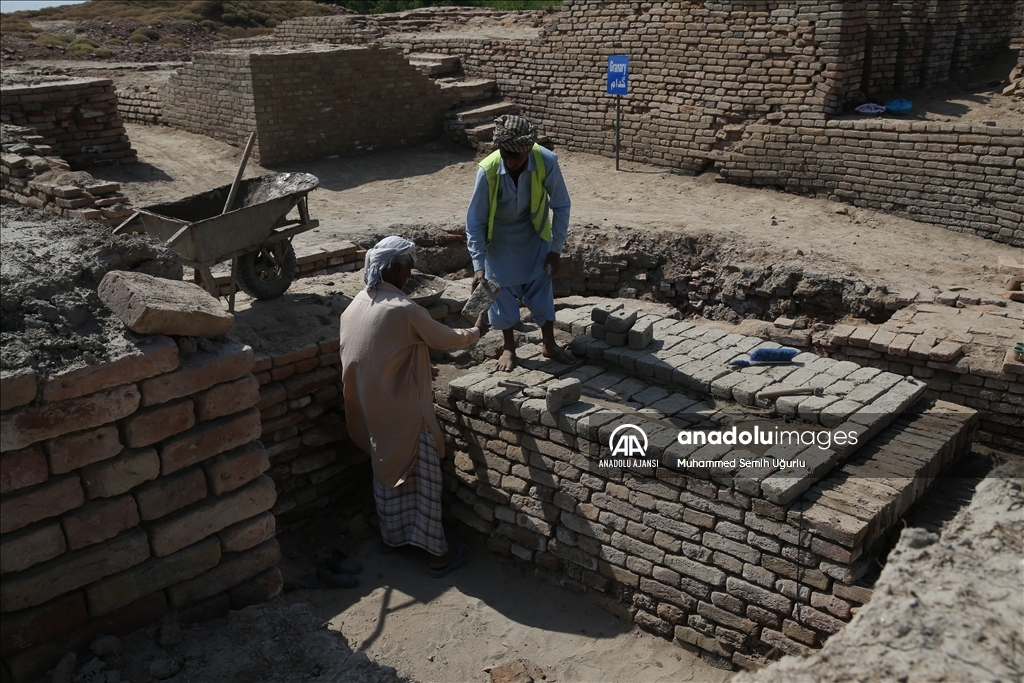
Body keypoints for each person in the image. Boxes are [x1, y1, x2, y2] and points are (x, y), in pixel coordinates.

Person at [339, 236, 487, 577]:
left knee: (387, 476)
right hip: (406, 412)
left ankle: (392, 539)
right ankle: (437, 554)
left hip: (371, 409)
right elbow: (445, 339)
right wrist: (476, 331)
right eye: (408, 265)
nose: (412, 270)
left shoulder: (355, 305)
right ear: (392, 268)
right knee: (423, 483)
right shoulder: (404, 310)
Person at [466, 114, 573, 372]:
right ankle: (509, 348)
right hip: (500, 241)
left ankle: (549, 343)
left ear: (528, 150)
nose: (511, 163)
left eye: (517, 157)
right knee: (500, 293)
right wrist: (478, 265)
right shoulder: (488, 170)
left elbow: (562, 205)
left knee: (541, 287)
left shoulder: (546, 161)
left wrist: (555, 251)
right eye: (506, 156)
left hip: (534, 235)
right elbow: (475, 221)